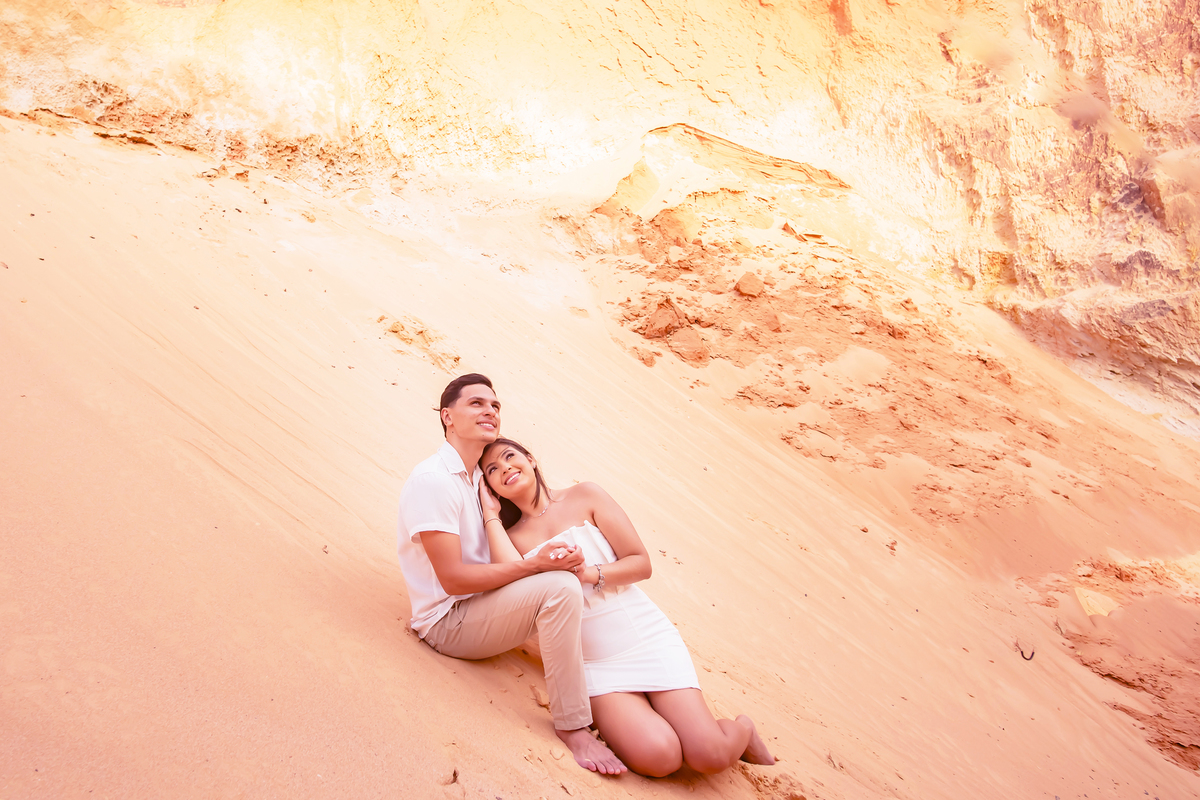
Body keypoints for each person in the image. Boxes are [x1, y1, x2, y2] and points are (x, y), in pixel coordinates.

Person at [479, 437, 776, 777]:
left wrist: (587, 573)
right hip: (592, 665)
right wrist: (490, 515)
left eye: (509, 457)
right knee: (659, 757)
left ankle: (742, 729)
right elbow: (513, 584)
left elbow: (641, 563)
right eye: (492, 470)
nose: (505, 469)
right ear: (491, 488)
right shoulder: (511, 538)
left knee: (708, 754)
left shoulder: (585, 495)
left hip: (645, 637)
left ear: (530, 459)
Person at [397, 374, 626, 774]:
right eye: (477, 404)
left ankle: (618, 676)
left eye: (495, 406)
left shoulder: (476, 478)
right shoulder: (434, 481)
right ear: (448, 417)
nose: (490, 411)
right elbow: (453, 580)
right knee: (557, 588)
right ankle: (573, 726)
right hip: (447, 623)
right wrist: (536, 565)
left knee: (558, 581)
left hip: (483, 606)